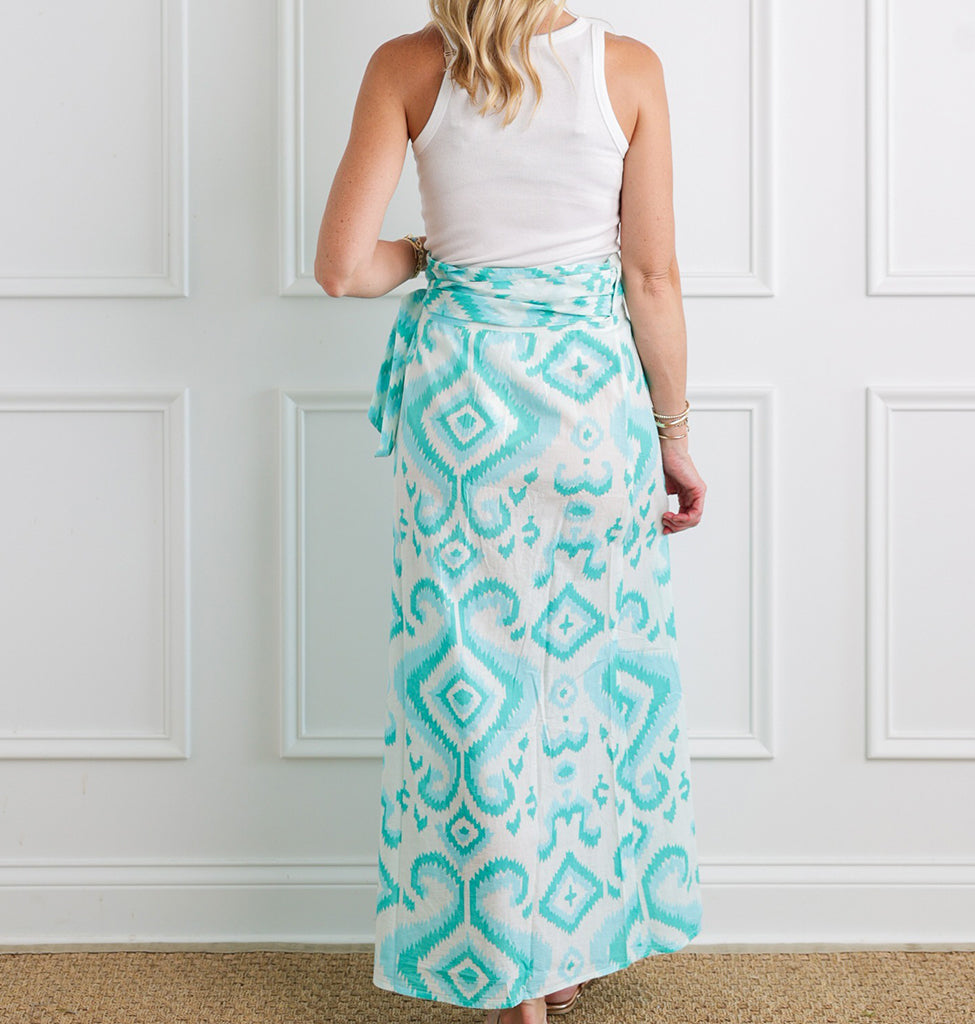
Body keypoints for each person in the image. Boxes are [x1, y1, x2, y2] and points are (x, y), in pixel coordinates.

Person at [314, 2, 707, 1021]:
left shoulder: (407, 66)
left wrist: (433, 252)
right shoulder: (626, 69)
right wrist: (672, 430)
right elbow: (651, 277)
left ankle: (510, 978)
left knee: (473, 686)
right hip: (585, 405)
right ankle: (565, 949)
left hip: (460, 410)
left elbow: (344, 268)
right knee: (580, 675)